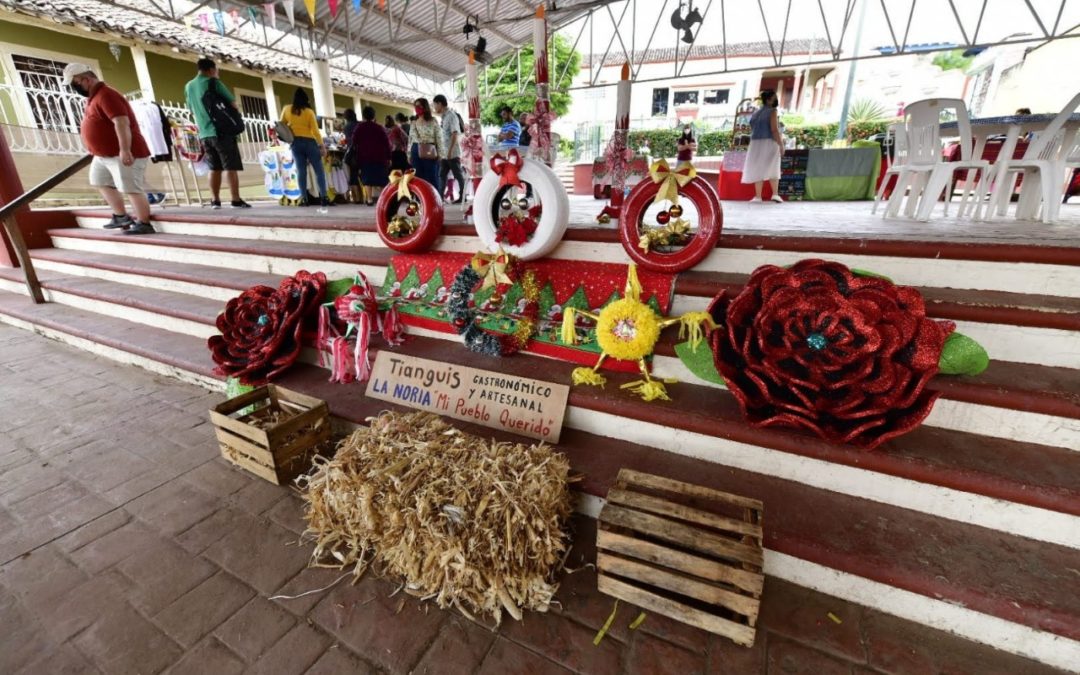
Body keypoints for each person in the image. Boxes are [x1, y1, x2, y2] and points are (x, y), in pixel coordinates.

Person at [62, 63, 154, 234]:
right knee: (99, 180)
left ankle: (144, 222)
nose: (74, 88)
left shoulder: (106, 95)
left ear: (86, 80)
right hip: (103, 155)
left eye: (75, 83)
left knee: (131, 187)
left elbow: (121, 122)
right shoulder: (93, 97)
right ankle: (121, 216)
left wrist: (125, 149)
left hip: (122, 152)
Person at [183, 58, 250, 209]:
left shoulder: (189, 86)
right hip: (222, 132)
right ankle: (235, 199)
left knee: (214, 168)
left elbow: (191, 109)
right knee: (230, 167)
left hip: (205, 134)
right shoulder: (213, 82)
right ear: (211, 70)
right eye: (216, 70)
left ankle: (215, 201)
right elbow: (233, 103)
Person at [280, 88, 331, 207]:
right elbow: (315, 131)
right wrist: (322, 146)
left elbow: (281, 124)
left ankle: (304, 199)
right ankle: (324, 197)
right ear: (306, 99)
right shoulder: (309, 112)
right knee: (319, 171)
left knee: (301, 171)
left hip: (295, 143)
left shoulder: (286, 109)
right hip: (310, 142)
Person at [742, 89, 784, 203]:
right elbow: (774, 130)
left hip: (755, 143)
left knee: (758, 168)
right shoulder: (773, 111)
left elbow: (752, 127)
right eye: (775, 97)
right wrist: (781, 145)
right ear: (769, 99)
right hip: (769, 142)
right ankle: (775, 194)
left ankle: (758, 196)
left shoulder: (756, 113)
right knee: (773, 166)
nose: (776, 99)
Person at [350, 106, 392, 206]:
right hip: (380, 157)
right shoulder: (379, 127)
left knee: (367, 178)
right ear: (374, 116)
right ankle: (383, 200)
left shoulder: (359, 127)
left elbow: (354, 141)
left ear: (364, 116)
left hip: (365, 157)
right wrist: (389, 157)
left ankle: (369, 199)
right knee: (381, 179)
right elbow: (387, 143)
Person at [433, 94, 466, 204]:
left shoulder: (451, 116)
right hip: (445, 152)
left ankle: (463, 196)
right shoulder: (444, 117)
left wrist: (450, 151)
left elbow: (454, 134)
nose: (434, 108)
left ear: (440, 103)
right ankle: (439, 198)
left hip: (451, 153)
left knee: (458, 175)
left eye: (435, 105)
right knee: (442, 175)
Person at [408, 97, 445, 191]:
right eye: (415, 106)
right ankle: (420, 201)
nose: (417, 108)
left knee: (432, 177)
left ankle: (435, 201)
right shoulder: (413, 122)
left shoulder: (433, 121)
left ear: (425, 107)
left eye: (419, 106)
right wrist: (408, 154)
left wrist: (441, 154)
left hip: (430, 150)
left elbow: (439, 138)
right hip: (416, 150)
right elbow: (410, 139)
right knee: (418, 178)